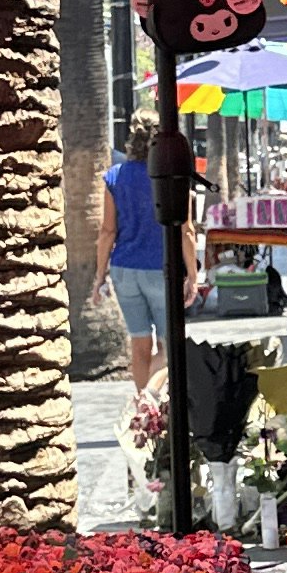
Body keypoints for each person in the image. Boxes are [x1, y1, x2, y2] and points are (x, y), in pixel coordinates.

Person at [95, 120, 172, 389]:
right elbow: (185, 229)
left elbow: (107, 230)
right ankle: (151, 404)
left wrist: (99, 276)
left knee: (139, 345)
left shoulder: (115, 176)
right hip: (160, 266)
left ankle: (143, 410)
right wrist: (193, 275)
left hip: (124, 269)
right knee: (168, 345)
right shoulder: (167, 175)